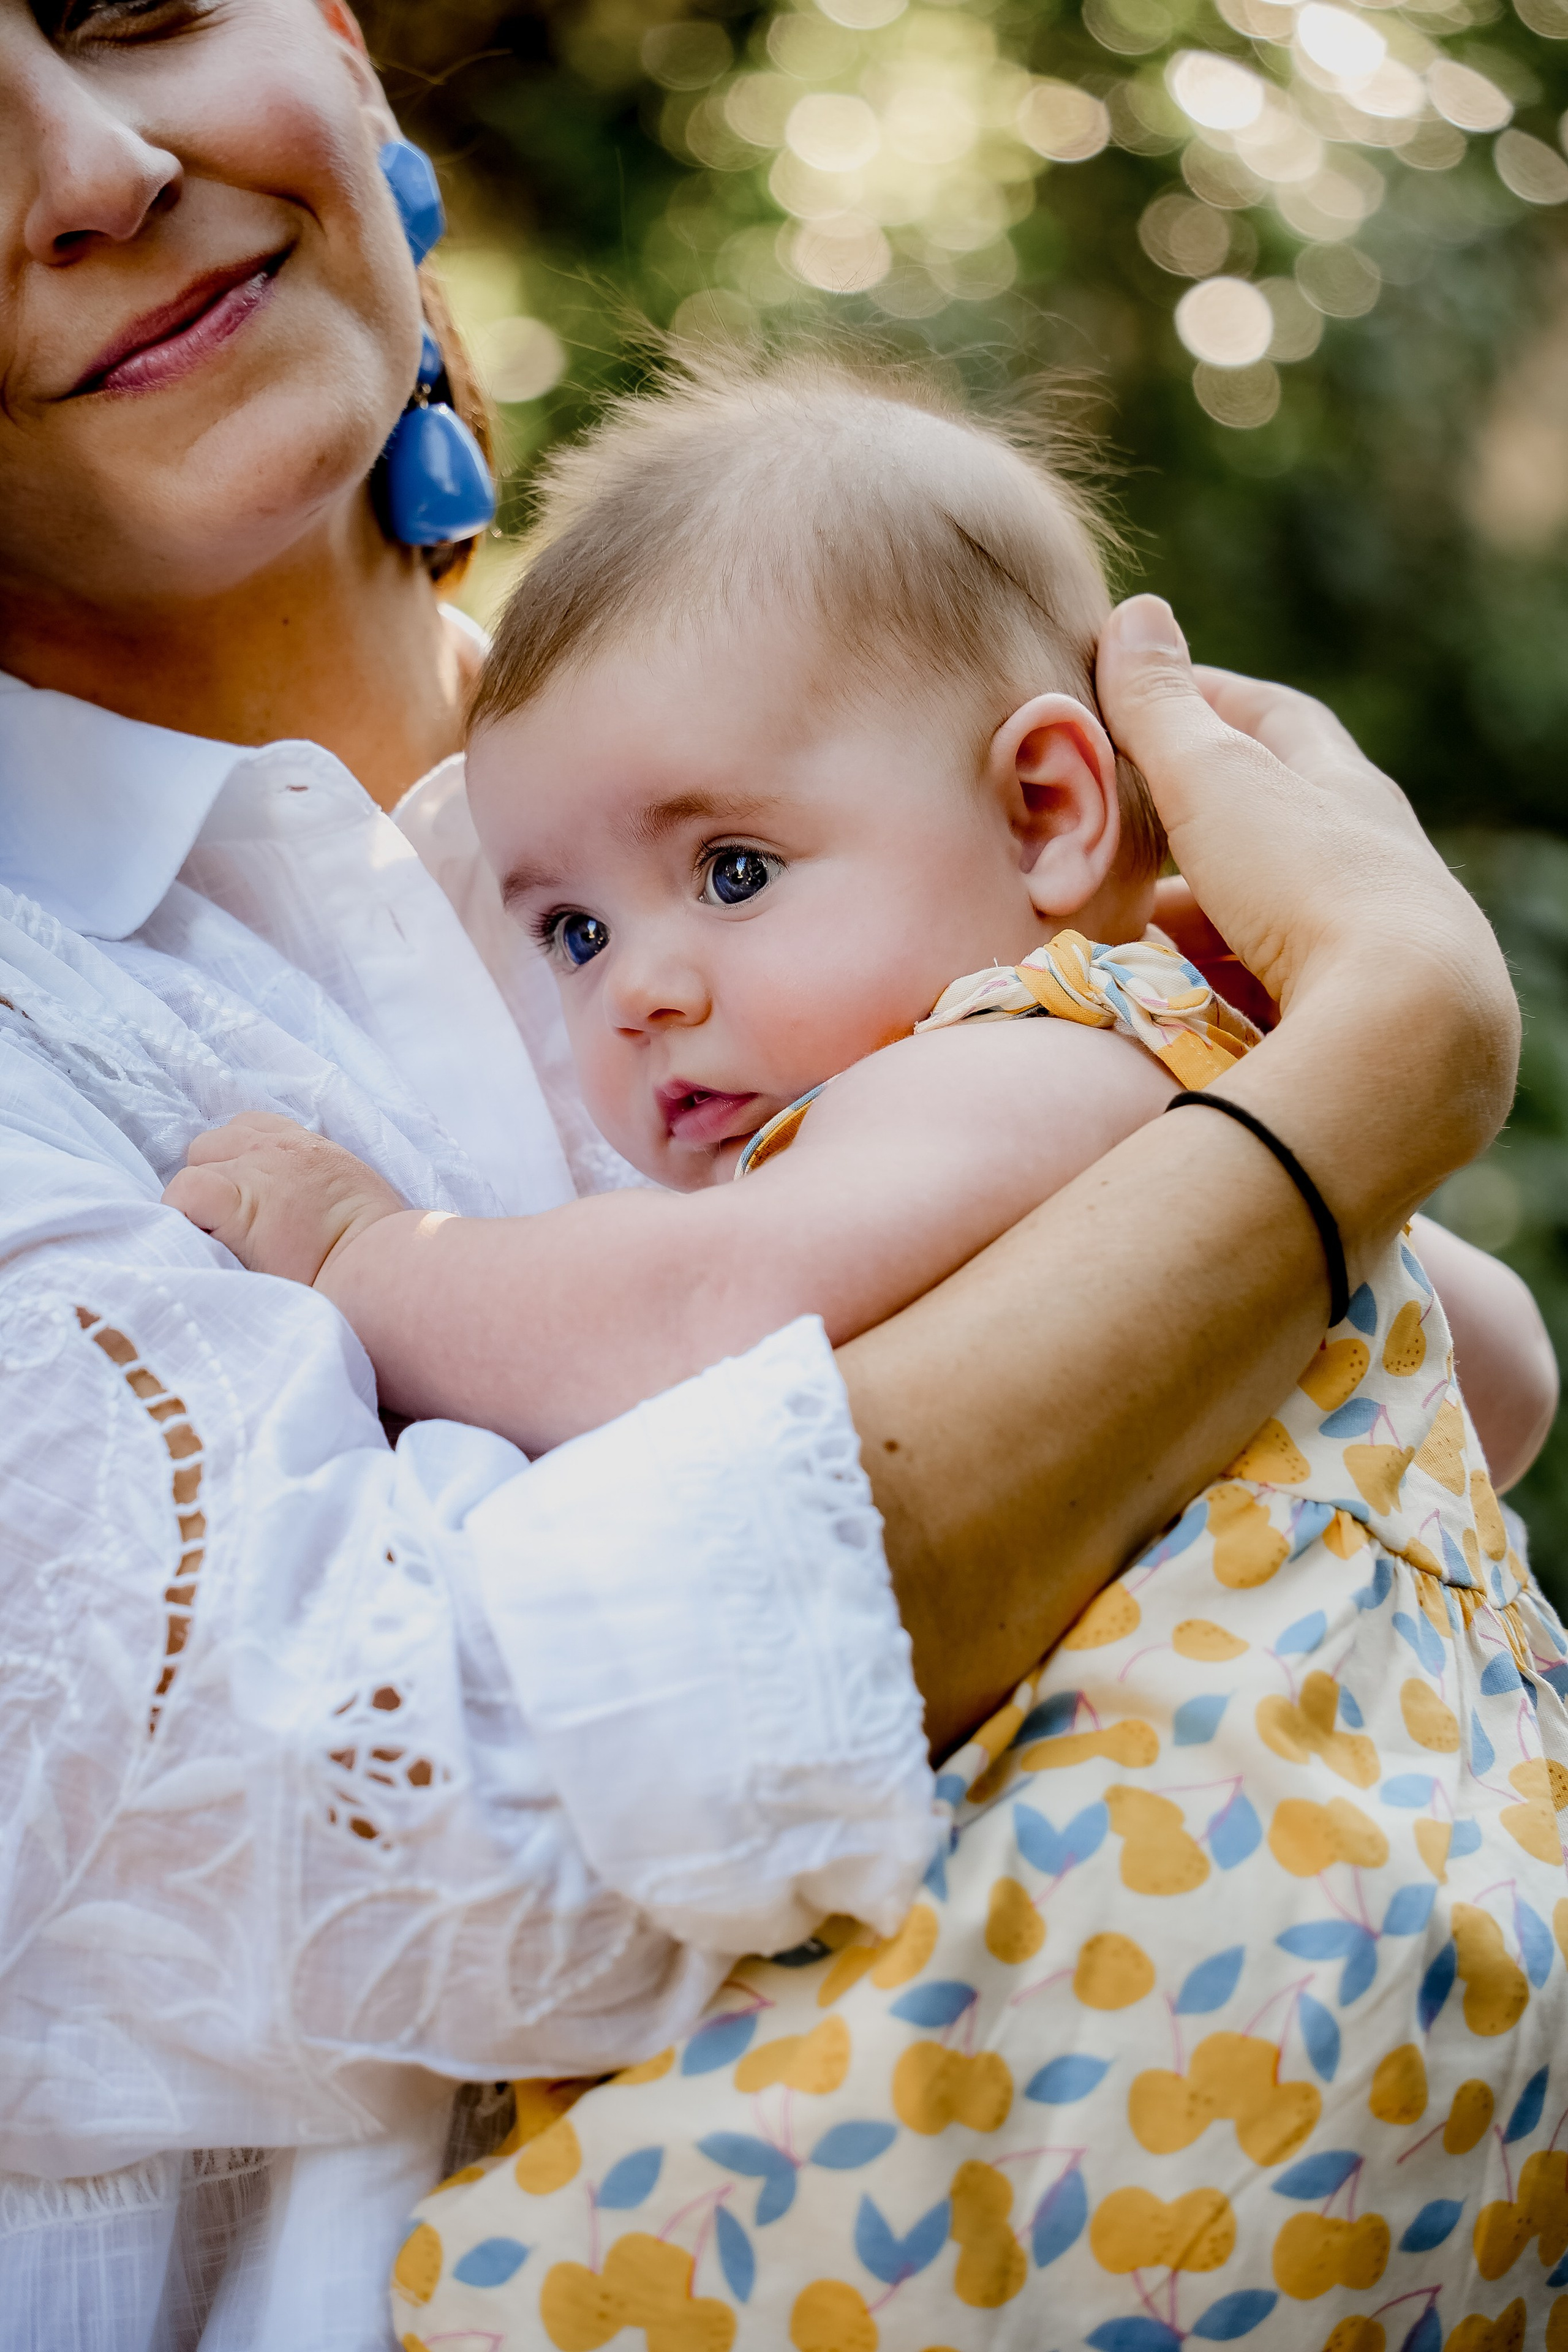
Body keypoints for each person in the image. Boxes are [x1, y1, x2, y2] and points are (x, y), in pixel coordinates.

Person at [0, 6, 1529, 2350]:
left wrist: (371, 1261)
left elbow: (1431, 1364)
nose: (88, 166)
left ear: (328, 33)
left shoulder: (804, 774)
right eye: (588, 930)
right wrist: (1365, 1073)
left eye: (129, 1)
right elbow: (459, 1805)